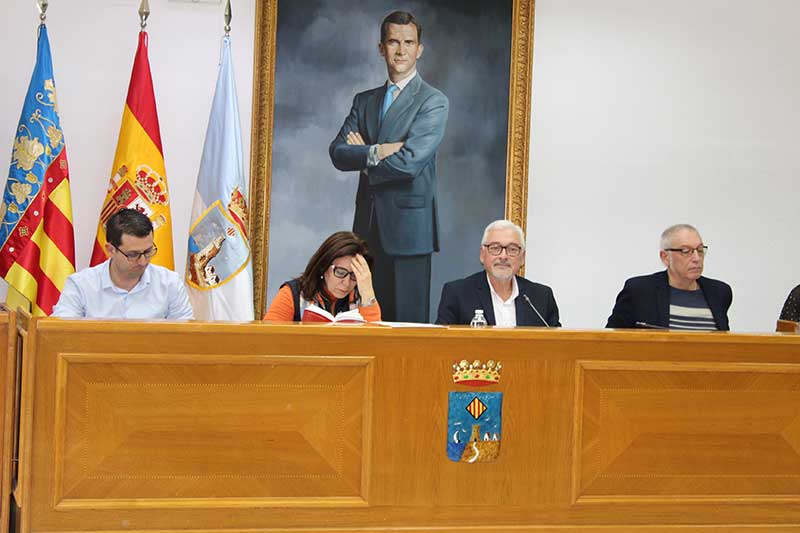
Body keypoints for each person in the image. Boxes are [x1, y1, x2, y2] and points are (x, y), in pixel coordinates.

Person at [329, 10, 449, 323]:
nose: (400, 50)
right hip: (367, 230)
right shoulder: (364, 101)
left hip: (410, 231)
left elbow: (409, 164)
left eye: (408, 42)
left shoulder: (433, 101)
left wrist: (364, 159)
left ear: (419, 49)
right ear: (381, 48)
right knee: (367, 324)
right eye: (393, 41)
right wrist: (379, 151)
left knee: (407, 329)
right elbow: (338, 153)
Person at [52, 208, 193, 319]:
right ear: (111, 250)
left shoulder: (170, 284)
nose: (143, 261)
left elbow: (186, 339)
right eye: (133, 255)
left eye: (148, 251)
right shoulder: (81, 285)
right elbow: (60, 335)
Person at [606, 224, 732, 330]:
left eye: (699, 250)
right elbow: (611, 341)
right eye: (686, 251)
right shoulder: (639, 291)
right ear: (665, 257)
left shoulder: (719, 292)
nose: (696, 258)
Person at [436, 220, 560, 327]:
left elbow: (559, 345)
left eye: (512, 249)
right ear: (482, 255)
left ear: (522, 258)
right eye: (495, 248)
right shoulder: (458, 293)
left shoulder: (542, 297)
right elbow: (441, 343)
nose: (503, 256)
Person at [264, 231, 381, 322]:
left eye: (354, 276)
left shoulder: (362, 299)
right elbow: (268, 340)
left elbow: (376, 344)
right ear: (323, 267)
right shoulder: (291, 295)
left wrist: (368, 294)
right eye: (340, 272)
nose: (346, 283)